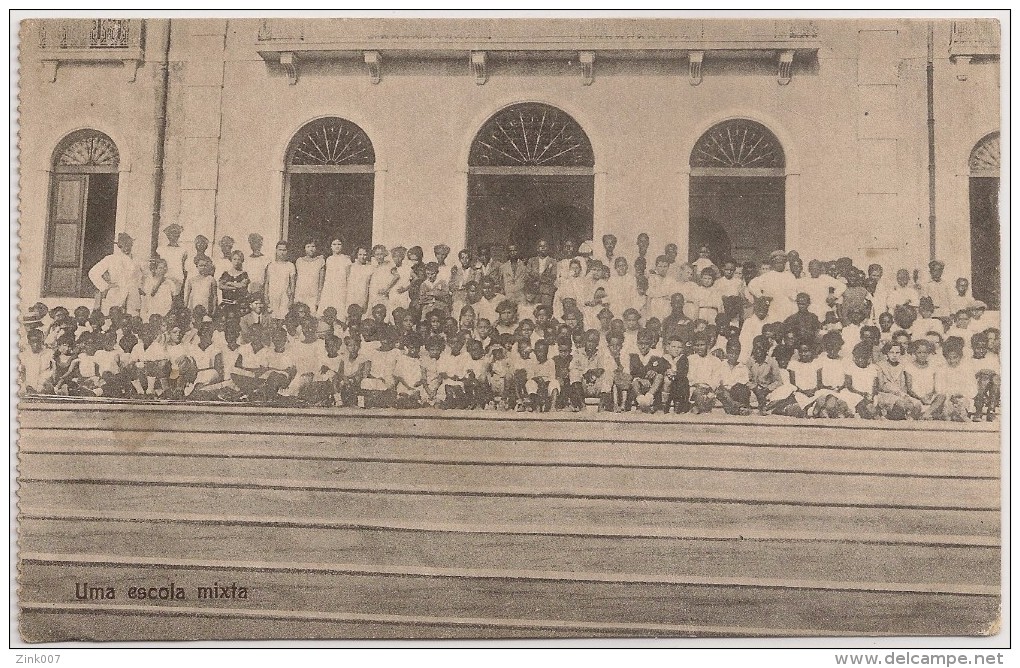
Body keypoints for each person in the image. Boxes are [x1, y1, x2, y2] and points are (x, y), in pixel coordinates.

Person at [88, 232, 143, 316]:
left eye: (128, 244)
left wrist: (140, 287)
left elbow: (144, 275)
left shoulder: (137, 260)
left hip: (133, 295)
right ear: (119, 246)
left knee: (132, 318)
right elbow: (93, 273)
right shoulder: (111, 259)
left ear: (132, 244)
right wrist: (106, 286)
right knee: (114, 318)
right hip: (116, 293)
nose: (126, 248)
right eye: (122, 245)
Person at [745, 251, 798, 324]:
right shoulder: (767, 276)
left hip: (787, 307)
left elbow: (794, 293)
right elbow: (752, 285)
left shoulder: (790, 276)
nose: (780, 265)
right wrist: (761, 296)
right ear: (773, 263)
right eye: (777, 262)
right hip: (773, 308)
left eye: (782, 262)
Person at [264, 241, 296, 320]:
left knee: (283, 318)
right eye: (280, 250)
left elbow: (292, 283)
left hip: (284, 296)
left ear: (287, 251)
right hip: (272, 296)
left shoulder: (290, 265)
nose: (282, 252)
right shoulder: (271, 265)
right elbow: (267, 282)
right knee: (272, 318)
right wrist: (265, 296)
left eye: (284, 250)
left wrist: (291, 299)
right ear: (276, 250)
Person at [319, 238, 352, 318]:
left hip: (341, 289)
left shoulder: (346, 259)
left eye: (339, 244)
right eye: (334, 244)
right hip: (329, 289)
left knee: (339, 312)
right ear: (330, 246)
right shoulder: (328, 259)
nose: (337, 246)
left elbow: (348, 277)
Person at [217, 250, 250, 323]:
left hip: (238, 305)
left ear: (242, 261)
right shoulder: (226, 274)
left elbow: (242, 285)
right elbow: (220, 286)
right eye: (234, 259)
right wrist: (234, 286)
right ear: (231, 260)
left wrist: (228, 283)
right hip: (226, 304)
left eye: (239, 259)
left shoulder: (244, 274)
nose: (237, 261)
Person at [141, 257, 177, 321]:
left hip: (166, 310)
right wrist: (161, 280)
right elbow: (152, 293)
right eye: (160, 268)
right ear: (155, 269)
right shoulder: (149, 281)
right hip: (153, 309)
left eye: (164, 268)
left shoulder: (169, 282)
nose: (162, 270)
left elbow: (174, 297)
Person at [157, 224, 188, 296]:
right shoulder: (161, 249)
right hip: (164, 278)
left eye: (176, 233)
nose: (174, 236)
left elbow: (183, 266)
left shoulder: (183, 250)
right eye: (172, 233)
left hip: (178, 278)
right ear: (168, 235)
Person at [294, 240, 325, 311]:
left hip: (313, 294)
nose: (311, 249)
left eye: (313, 246)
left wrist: (319, 296)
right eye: (308, 246)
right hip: (300, 293)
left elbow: (321, 281)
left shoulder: (320, 261)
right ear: (304, 248)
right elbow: (296, 278)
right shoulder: (299, 261)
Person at [527, 240, 558, 308]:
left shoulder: (553, 261)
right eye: (541, 246)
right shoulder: (531, 261)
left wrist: (538, 278)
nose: (543, 248)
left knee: (546, 311)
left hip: (547, 293)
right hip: (533, 292)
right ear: (537, 248)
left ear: (548, 248)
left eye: (545, 246)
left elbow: (553, 276)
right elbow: (528, 275)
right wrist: (543, 277)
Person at [345, 247, 374, 314]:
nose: (362, 257)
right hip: (351, 295)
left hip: (363, 295)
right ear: (356, 255)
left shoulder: (370, 268)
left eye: (365, 255)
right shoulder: (350, 267)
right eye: (360, 254)